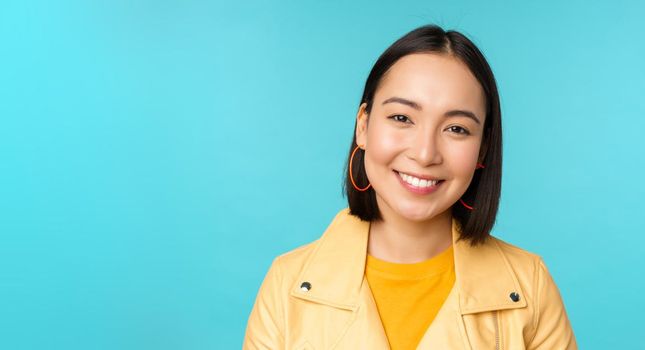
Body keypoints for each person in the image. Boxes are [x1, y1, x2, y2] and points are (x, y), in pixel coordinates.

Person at [242, 24, 577, 350]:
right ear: (363, 126)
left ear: (482, 149)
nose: (425, 153)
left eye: (457, 128)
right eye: (402, 118)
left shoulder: (528, 286)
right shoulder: (287, 283)